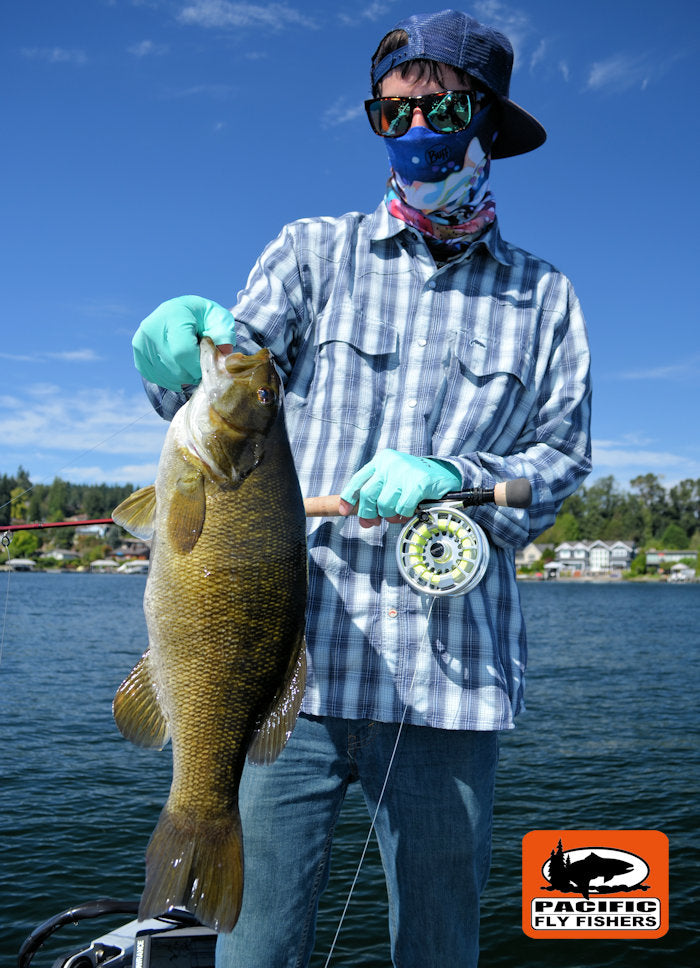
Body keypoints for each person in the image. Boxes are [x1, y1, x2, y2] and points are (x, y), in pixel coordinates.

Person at [132, 9, 592, 967]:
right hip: (284, 680)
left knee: (438, 950)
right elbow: (215, 389)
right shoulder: (311, 252)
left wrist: (455, 476)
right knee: (251, 950)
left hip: (451, 689)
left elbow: (559, 467)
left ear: (488, 123)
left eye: (443, 107)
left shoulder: (547, 297)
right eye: (393, 115)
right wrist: (167, 353)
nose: (418, 131)